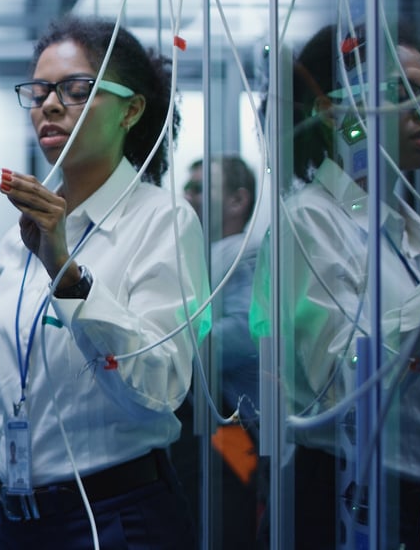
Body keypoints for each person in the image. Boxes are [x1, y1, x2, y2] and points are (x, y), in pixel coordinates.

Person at [0, 16, 208, 549]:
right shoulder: (18, 238)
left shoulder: (161, 220)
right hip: (18, 516)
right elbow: (4, 409)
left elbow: (159, 391)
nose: (49, 105)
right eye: (39, 91)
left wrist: (67, 274)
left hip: (117, 517)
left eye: (76, 90)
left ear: (132, 109)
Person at [250, 23, 420, 549]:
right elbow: (346, 382)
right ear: (337, 111)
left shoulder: (408, 232)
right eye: (403, 92)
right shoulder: (309, 222)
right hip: (346, 493)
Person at [171, 155, 262, 547]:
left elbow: (247, 332)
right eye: (187, 186)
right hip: (214, 426)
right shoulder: (209, 255)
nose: (187, 195)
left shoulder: (243, 252)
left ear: (237, 201)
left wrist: (167, 341)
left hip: (234, 429)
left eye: (199, 188)